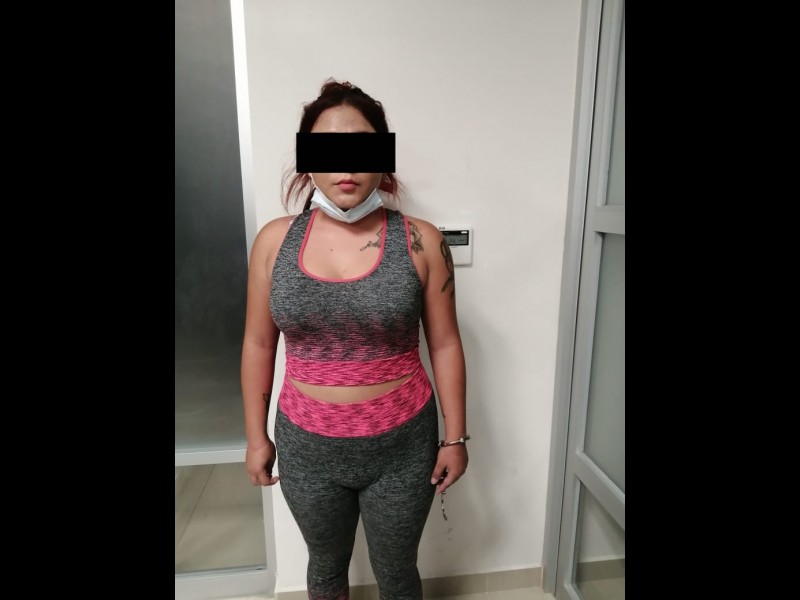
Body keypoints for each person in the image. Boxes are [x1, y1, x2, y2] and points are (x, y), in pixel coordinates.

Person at [241, 79, 468, 600]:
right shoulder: (274, 242)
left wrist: (455, 438)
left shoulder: (422, 240)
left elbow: (446, 345)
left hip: (402, 446)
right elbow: (258, 344)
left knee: (397, 574)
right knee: (324, 570)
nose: (346, 166)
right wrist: (256, 437)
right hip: (306, 446)